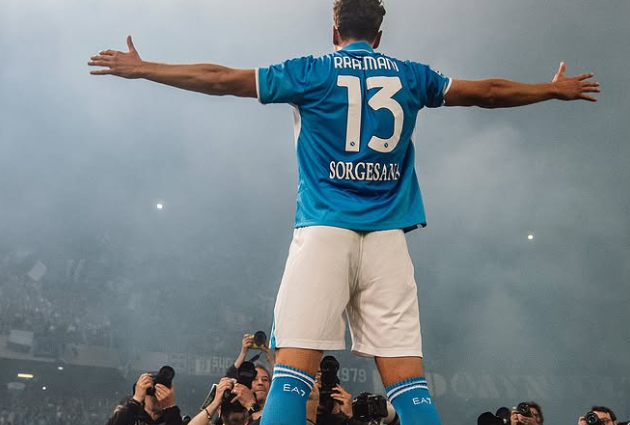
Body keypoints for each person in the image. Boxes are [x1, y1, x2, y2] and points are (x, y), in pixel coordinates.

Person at [88, 1, 600, 424]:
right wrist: (552, 89)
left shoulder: (311, 72)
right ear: (379, 35)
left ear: (334, 31)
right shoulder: (411, 76)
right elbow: (487, 93)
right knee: (410, 388)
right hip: (387, 241)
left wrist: (145, 68)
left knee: (291, 379)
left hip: (325, 233)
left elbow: (220, 79)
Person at [106, 372, 183, 425]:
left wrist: (170, 408)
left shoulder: (177, 419)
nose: (158, 397)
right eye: (153, 392)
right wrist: (136, 400)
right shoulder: (131, 417)